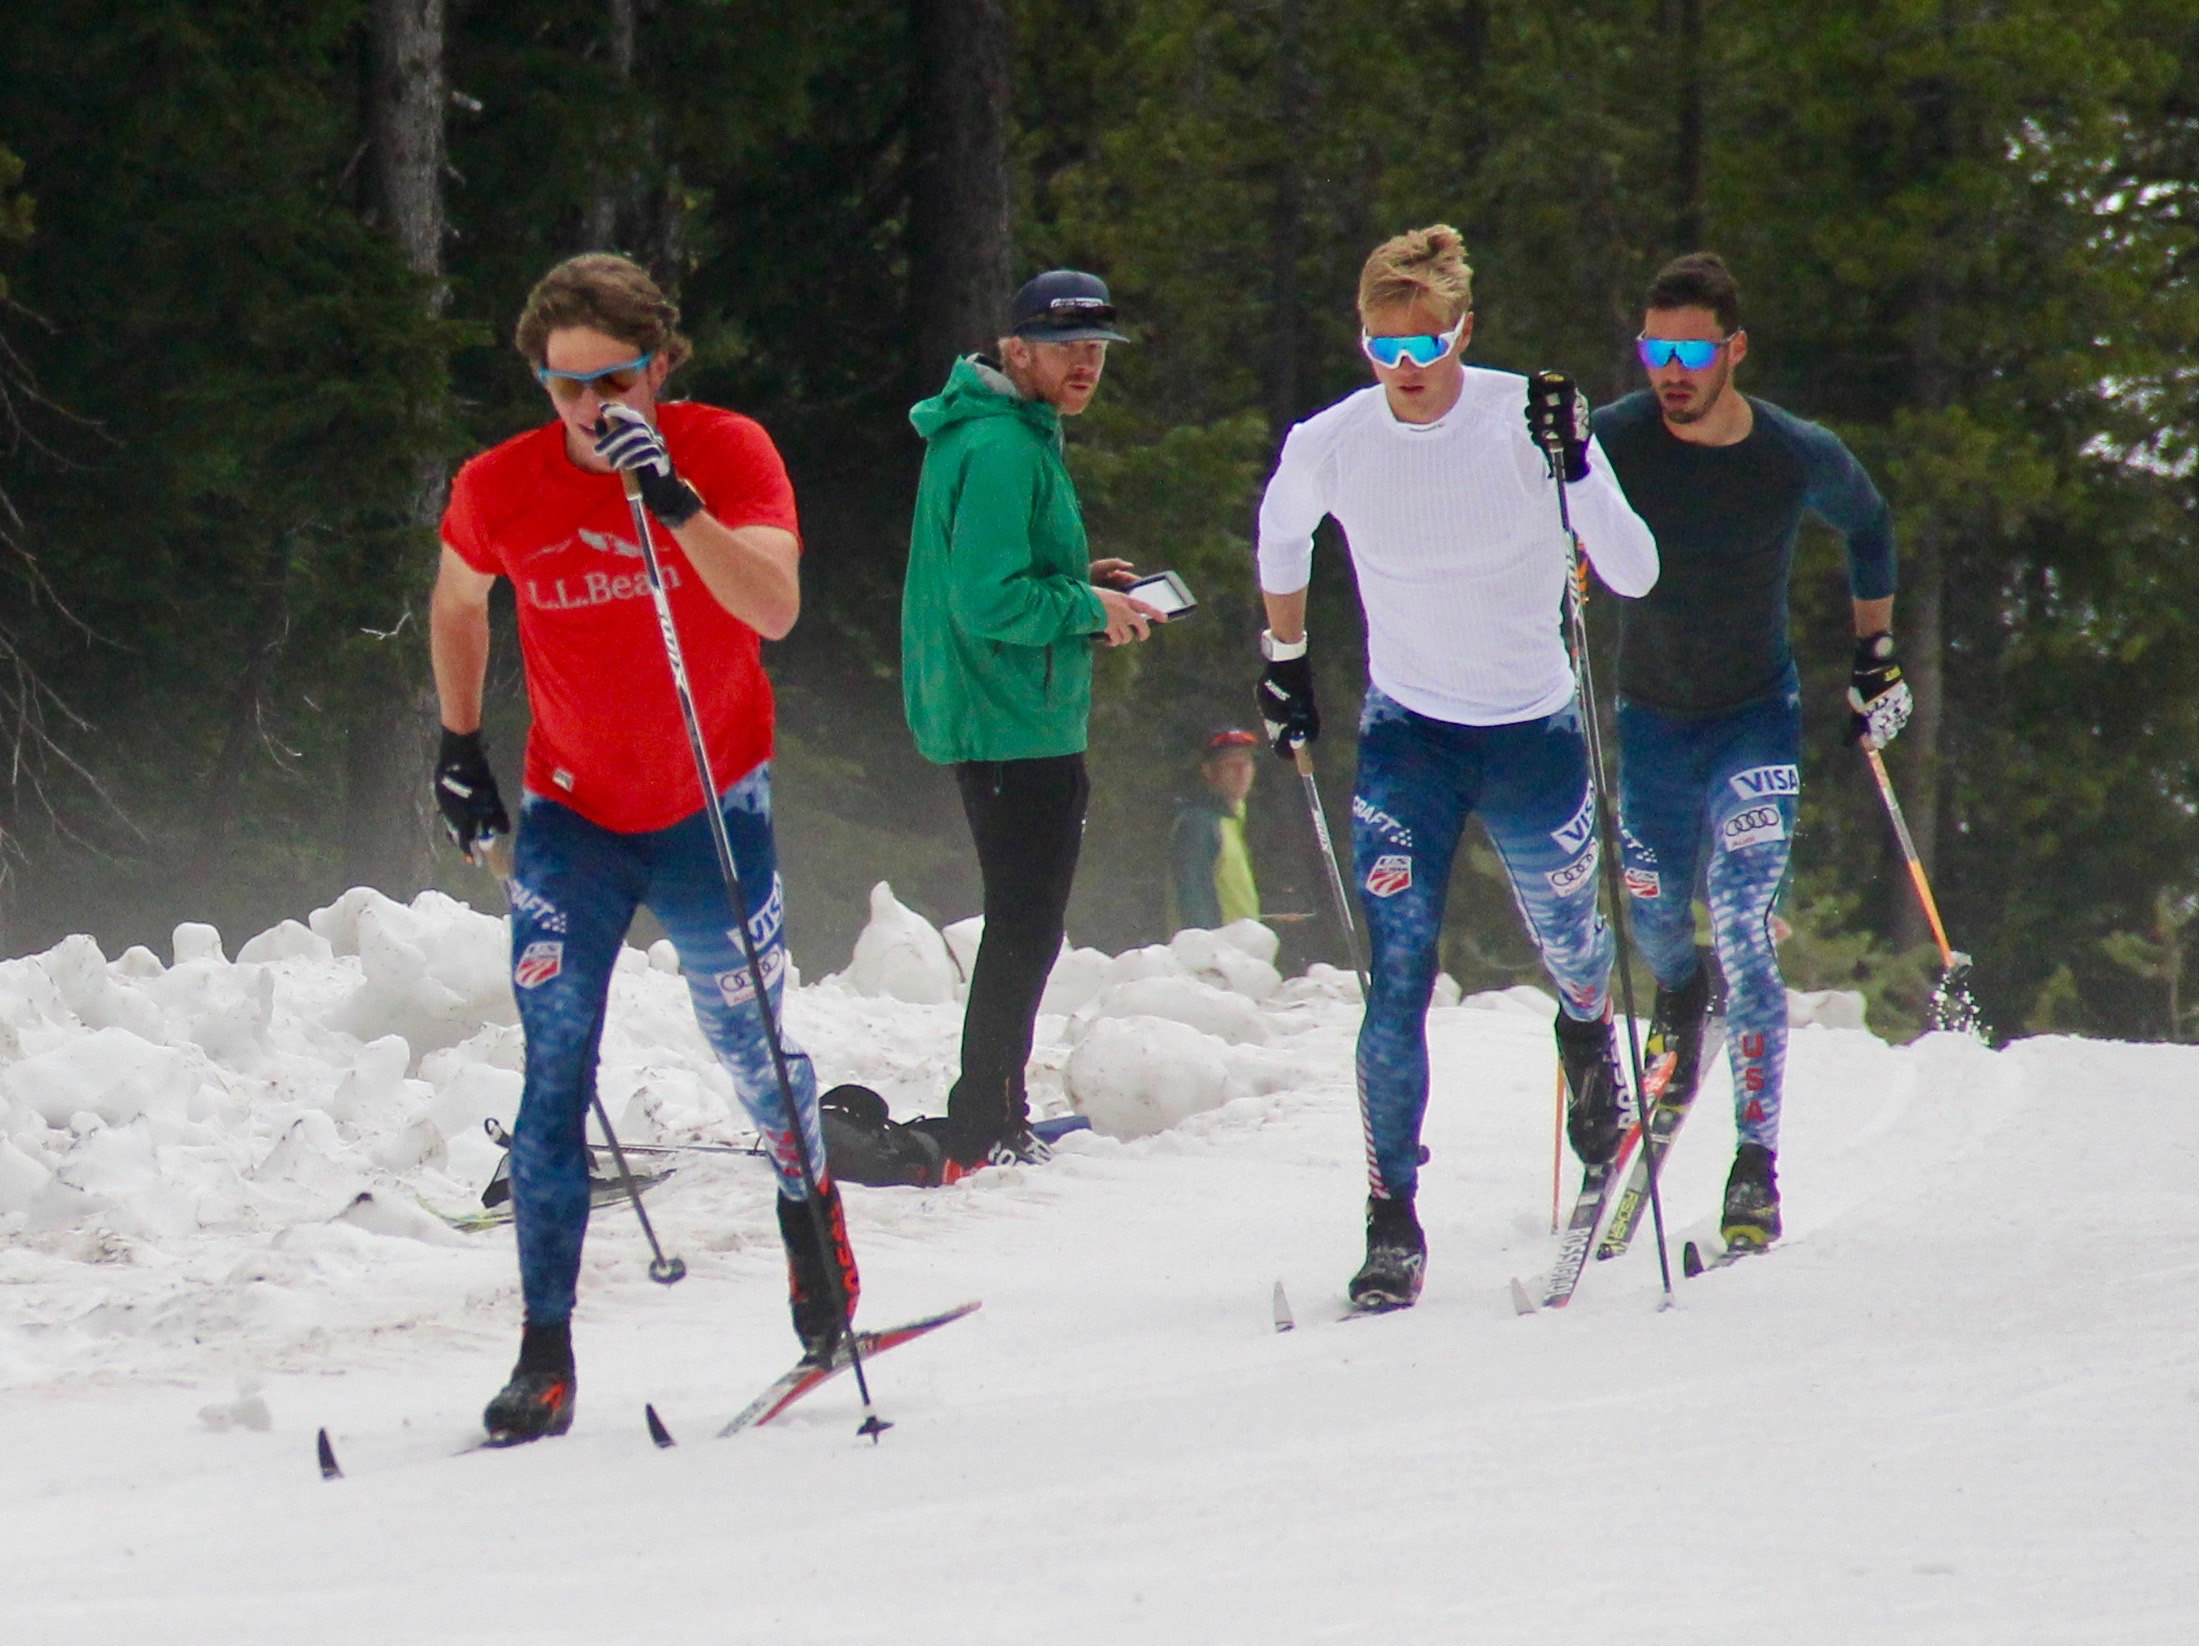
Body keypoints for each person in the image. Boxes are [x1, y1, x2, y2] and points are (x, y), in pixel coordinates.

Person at [428, 253, 855, 1444]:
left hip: (715, 803)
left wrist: (674, 502)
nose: (585, 411)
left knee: (755, 1052)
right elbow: (461, 596)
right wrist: (458, 741)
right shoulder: (501, 484)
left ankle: (806, 1206)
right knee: (552, 1064)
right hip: (574, 816)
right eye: (560, 387)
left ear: (658, 365)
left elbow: (773, 607)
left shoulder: (726, 451)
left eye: (609, 381)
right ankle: (543, 1354)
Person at [1254, 225, 1658, 1311]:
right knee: (1394, 980)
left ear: (1464, 333)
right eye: (1386, 349)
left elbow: (1633, 569)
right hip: (1410, 740)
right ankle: (1393, 1219)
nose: (1409, 370)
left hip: (1531, 733)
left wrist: (1578, 461)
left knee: (1575, 948)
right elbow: (1280, 532)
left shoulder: (1528, 419)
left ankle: (1586, 1044)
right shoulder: (1335, 440)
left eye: (1428, 344)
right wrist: (1283, 658)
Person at [1593, 251, 1908, 1253]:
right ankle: (1681, 999)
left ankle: (1753, 1167)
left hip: (1751, 719)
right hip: (1651, 714)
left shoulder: (1788, 450)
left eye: (1690, 350)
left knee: (1741, 915)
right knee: (1651, 916)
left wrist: (1876, 655)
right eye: (1654, 349)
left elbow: (1869, 524)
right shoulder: (1617, 437)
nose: (1670, 371)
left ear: (1733, 349)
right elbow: (1537, 506)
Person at [901, 269, 1163, 1169]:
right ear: (1018, 351)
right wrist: (1087, 610)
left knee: (1024, 920)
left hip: (1004, 709)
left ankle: (992, 1104)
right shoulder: (1005, 446)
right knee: (1025, 922)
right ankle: (984, 1116)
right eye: (1066, 349)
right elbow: (988, 601)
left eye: (1096, 349)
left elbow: (1005, 572)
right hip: (1012, 717)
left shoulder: (1004, 431)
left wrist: (1093, 587)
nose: (1085, 365)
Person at [1168, 728, 1263, 933]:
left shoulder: (1233, 820)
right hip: (1214, 956)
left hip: (1241, 956)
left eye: (1246, 763)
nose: (1241, 771)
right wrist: (1208, 952)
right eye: (1230, 764)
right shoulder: (1198, 823)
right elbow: (1193, 897)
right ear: (1209, 771)